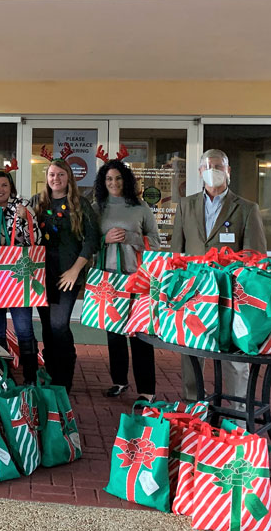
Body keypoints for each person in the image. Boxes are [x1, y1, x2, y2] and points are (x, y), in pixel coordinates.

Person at [171, 148, 267, 407]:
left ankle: (236, 412)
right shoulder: (186, 205)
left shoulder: (246, 209)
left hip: (232, 295)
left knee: (235, 356)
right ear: (200, 171)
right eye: (208, 166)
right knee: (192, 352)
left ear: (228, 171)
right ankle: (194, 408)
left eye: (218, 166)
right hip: (194, 294)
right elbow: (176, 253)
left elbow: (256, 256)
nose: (213, 170)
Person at [93, 159, 160, 402]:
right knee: (114, 333)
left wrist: (132, 237)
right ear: (103, 182)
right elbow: (88, 242)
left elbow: (156, 241)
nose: (113, 183)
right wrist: (105, 240)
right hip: (109, 279)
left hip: (138, 279)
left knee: (141, 333)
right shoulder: (96, 208)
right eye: (109, 179)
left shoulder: (140, 208)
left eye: (118, 178)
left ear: (127, 180)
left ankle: (147, 390)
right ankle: (119, 381)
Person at [32, 159, 100, 392]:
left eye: (61, 175)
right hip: (41, 275)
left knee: (60, 325)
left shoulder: (80, 204)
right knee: (48, 329)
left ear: (69, 177)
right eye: (52, 174)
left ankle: (65, 377)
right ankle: (52, 375)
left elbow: (91, 240)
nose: (56, 179)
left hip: (67, 275)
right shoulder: (37, 202)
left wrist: (75, 270)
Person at [0, 170, 40, 383]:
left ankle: (31, 376)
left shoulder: (23, 208)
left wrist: (24, 221)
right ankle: (2, 376)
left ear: (11, 188)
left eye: (4, 185)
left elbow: (37, 238)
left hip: (17, 276)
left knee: (24, 329)